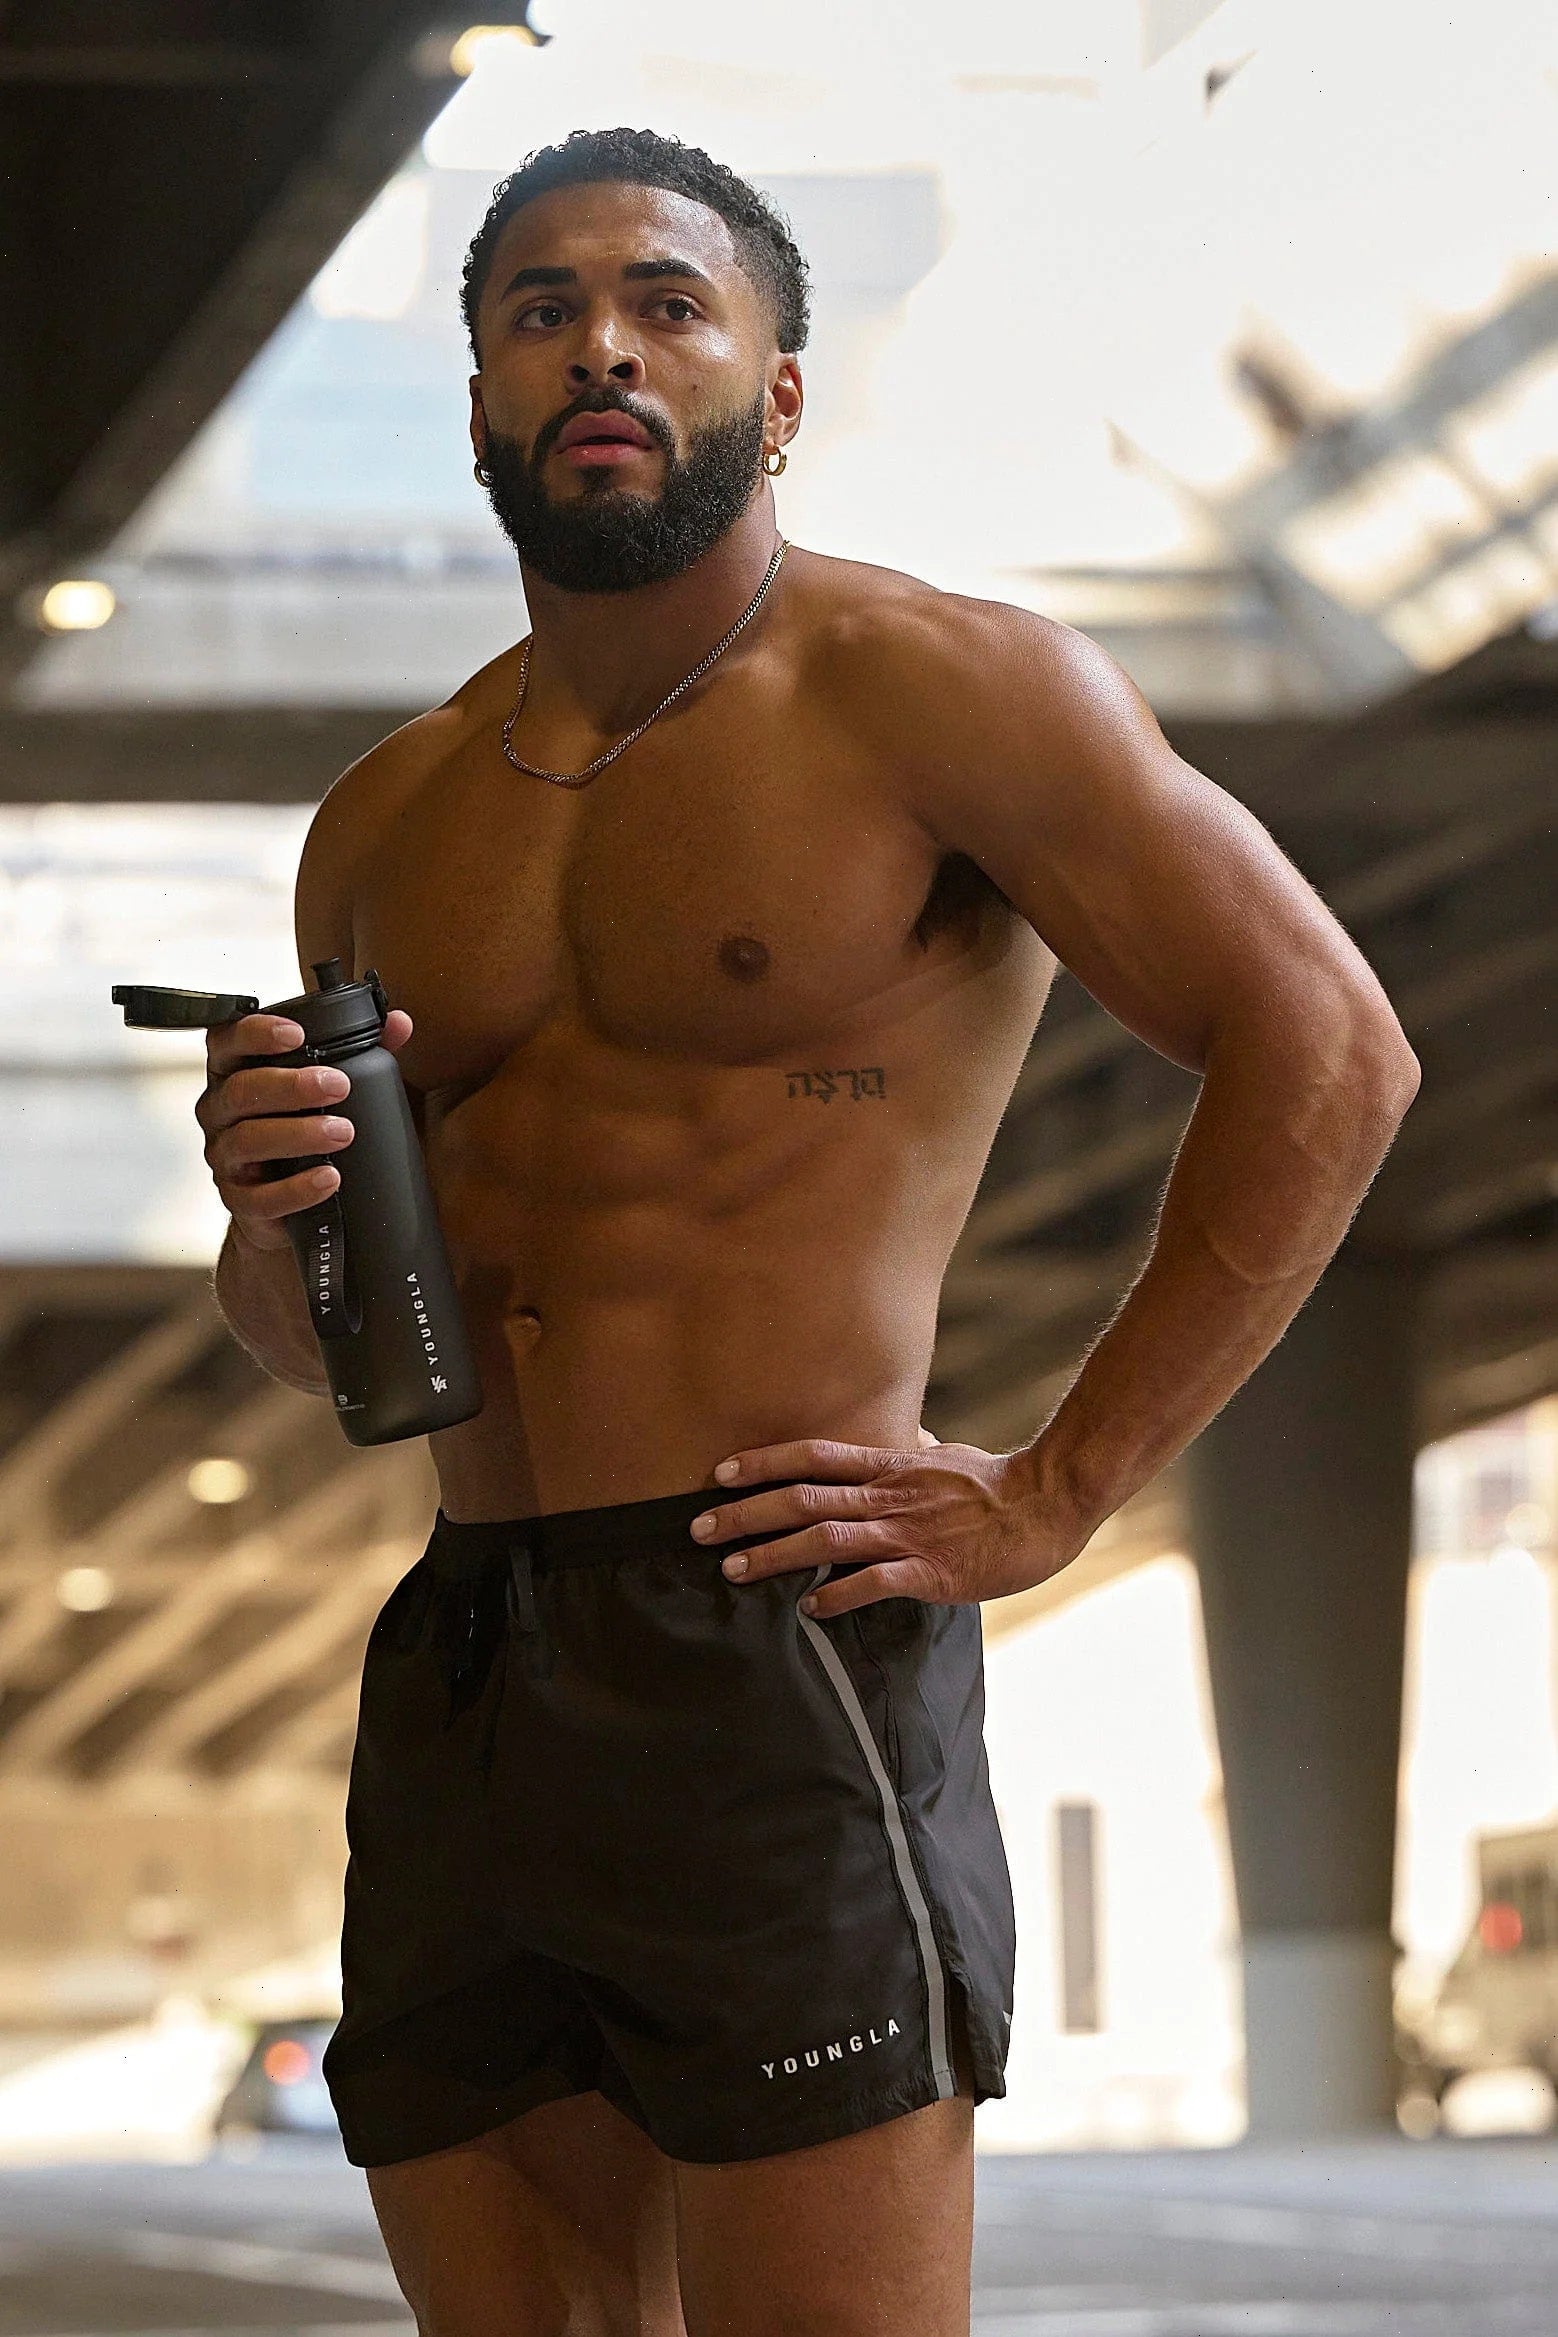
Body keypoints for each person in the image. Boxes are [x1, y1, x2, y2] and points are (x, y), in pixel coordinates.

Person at [198, 126, 1419, 2337]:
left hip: (776, 1630)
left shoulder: (938, 687)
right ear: (480, 397)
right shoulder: (385, 818)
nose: (601, 346)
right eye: (543, 310)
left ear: (772, 393)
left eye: (666, 304)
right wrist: (270, 1209)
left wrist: (1059, 1483)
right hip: (471, 1652)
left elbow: (1328, 1046)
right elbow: (334, 1340)